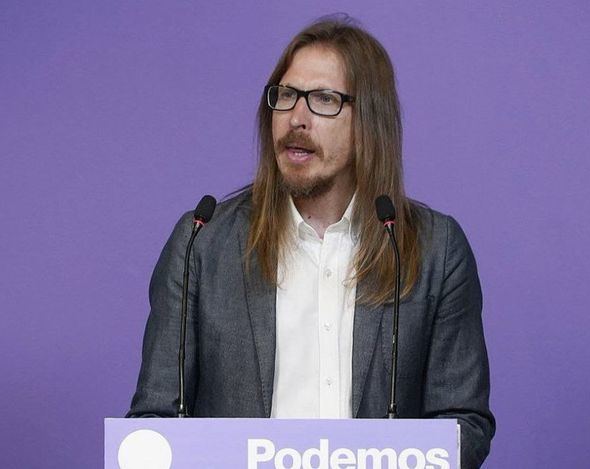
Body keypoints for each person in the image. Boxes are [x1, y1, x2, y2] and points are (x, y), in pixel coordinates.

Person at [126, 16, 495, 468]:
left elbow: (462, 424)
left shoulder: (435, 249)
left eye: (324, 100)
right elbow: (154, 424)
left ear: (370, 121)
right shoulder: (200, 242)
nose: (296, 118)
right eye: (286, 96)